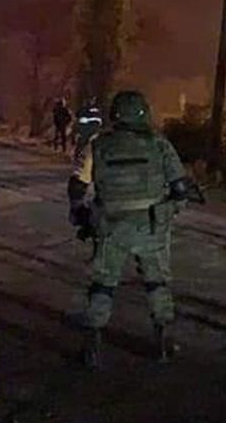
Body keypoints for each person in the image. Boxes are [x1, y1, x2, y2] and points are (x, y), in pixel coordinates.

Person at [68, 91, 193, 369]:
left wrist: (81, 215)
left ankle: (92, 345)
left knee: (103, 284)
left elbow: (77, 185)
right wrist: (172, 209)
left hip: (110, 226)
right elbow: (180, 188)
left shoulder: (97, 145)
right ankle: (163, 341)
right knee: (157, 283)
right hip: (151, 227)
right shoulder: (160, 144)